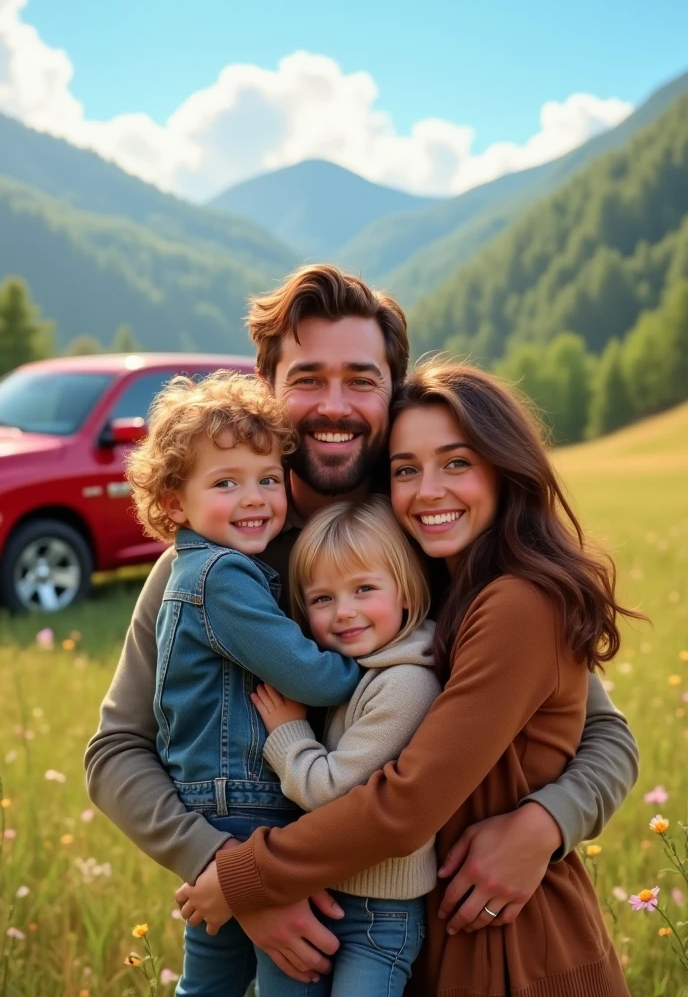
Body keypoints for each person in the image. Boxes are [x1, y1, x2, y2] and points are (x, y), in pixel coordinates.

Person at [85, 265, 638, 986]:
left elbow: (602, 730)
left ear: (393, 389)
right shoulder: (205, 570)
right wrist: (232, 872)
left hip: (454, 936)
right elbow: (116, 753)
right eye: (308, 379)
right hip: (303, 935)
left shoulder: (432, 538)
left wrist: (546, 823)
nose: (334, 405)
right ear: (270, 391)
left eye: (362, 379)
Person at [125, 369, 366, 995]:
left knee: (210, 979)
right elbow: (306, 676)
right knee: (292, 976)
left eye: (267, 479)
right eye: (226, 483)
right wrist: (368, 674)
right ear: (176, 502)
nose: (255, 498)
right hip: (247, 810)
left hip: (212, 803)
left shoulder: (202, 567)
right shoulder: (224, 577)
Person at [248, 496, 441, 995]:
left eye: (364, 589)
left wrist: (288, 733)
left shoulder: (406, 685)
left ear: (405, 591)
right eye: (322, 598)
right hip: (313, 891)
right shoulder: (347, 672)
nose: (344, 612)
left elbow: (332, 793)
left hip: (380, 917)